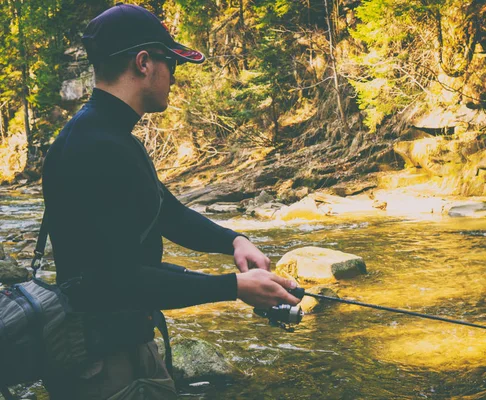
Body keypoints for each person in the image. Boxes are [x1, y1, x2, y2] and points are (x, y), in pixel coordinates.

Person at [41, 3, 300, 399]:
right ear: (144, 63)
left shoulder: (108, 136)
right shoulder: (96, 146)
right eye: (170, 62)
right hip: (100, 364)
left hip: (121, 344)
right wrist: (234, 287)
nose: (175, 75)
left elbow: (167, 214)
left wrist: (234, 241)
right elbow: (114, 281)